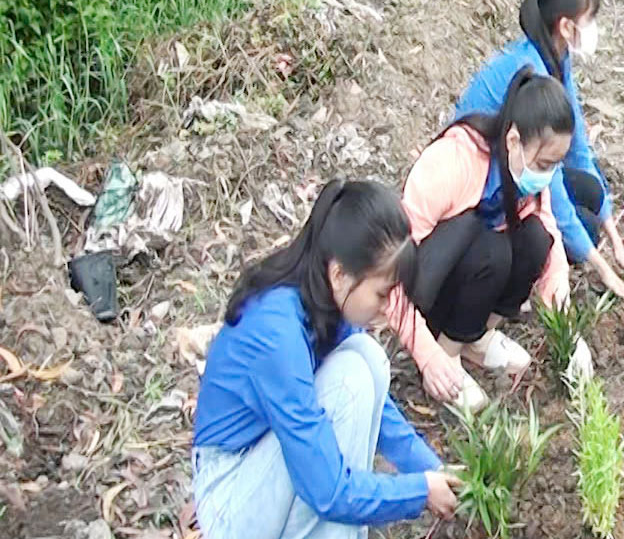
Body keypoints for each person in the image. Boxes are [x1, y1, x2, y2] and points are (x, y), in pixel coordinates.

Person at [192, 181, 459, 539]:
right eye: (381, 293)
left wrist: (435, 472)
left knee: (367, 358)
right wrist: (418, 491)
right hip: (230, 501)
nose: (386, 308)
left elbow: (380, 415)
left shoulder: (319, 300)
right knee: (350, 378)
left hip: (264, 468)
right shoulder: (277, 332)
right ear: (339, 274)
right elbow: (327, 489)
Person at [388, 70, 624, 405]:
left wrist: (567, 330)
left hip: (472, 274)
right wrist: (428, 358)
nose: (547, 175)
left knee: (535, 239)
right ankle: (447, 352)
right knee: (491, 249)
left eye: (555, 165)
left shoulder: (526, 176)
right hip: (427, 286)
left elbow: (550, 240)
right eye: (544, 163)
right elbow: (393, 273)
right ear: (513, 140)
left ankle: (476, 337)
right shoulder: (453, 162)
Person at [454, 0, 624, 303]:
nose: (594, 29)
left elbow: (578, 147)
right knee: (568, 230)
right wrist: (606, 272)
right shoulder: (533, 75)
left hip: (516, 168)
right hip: (482, 190)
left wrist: (613, 236)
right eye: (590, 20)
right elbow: (552, 183)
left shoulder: (557, 58)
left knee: (587, 198)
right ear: (566, 25)